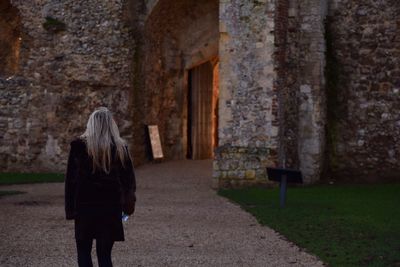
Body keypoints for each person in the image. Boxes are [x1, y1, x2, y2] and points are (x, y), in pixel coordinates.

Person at [65, 107, 136, 267]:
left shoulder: (78, 147)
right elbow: (129, 182)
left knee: (83, 253)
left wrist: (71, 211)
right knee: (105, 256)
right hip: (110, 208)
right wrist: (127, 206)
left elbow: (71, 183)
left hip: (85, 208)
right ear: (111, 125)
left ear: (91, 124)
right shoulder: (120, 148)